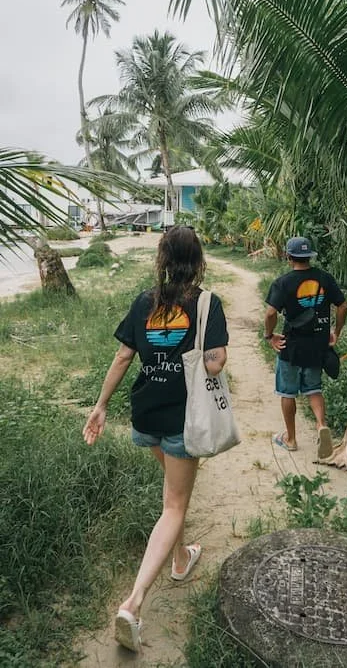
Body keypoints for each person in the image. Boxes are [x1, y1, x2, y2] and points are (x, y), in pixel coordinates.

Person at [82, 226, 228, 652]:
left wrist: (101, 405)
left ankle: (180, 560)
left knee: (172, 497)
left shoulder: (145, 301)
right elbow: (216, 365)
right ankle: (134, 602)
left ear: (162, 258)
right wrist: (209, 352)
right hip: (185, 416)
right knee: (174, 505)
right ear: (198, 259)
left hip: (146, 413)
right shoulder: (205, 302)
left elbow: (124, 355)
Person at [264, 236, 347, 459]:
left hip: (291, 346)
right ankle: (321, 425)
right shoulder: (325, 278)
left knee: (287, 392)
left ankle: (291, 439)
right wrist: (336, 332)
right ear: (310, 256)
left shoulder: (283, 283)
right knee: (314, 389)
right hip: (318, 344)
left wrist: (269, 336)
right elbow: (343, 305)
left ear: (289, 257)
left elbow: (271, 313)